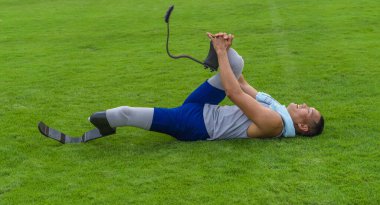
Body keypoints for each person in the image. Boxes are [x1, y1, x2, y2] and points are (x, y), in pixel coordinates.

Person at [88, 32, 324, 141]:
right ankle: (217, 53)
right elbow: (240, 81)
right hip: (202, 106)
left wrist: (221, 53)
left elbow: (234, 93)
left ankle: (98, 124)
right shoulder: (277, 108)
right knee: (237, 63)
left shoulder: (275, 123)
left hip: (196, 125)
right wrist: (226, 49)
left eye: (308, 110)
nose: (305, 105)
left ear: (302, 126)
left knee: (124, 113)